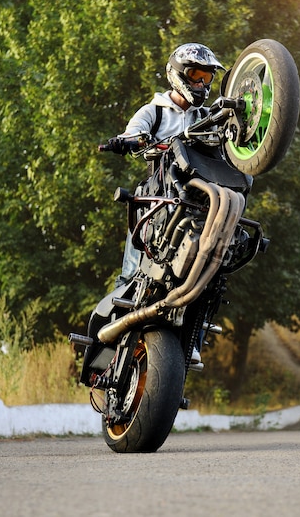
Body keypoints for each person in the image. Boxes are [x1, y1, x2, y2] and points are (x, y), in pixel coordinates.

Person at [109, 43, 225, 365]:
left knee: (214, 267)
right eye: (195, 76)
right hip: (157, 201)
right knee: (131, 273)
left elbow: (230, 140)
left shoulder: (207, 116)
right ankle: (115, 334)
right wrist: (129, 141)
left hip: (198, 205)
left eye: (206, 78)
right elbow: (133, 133)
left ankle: (193, 339)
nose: (201, 84)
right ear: (178, 75)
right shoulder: (155, 111)